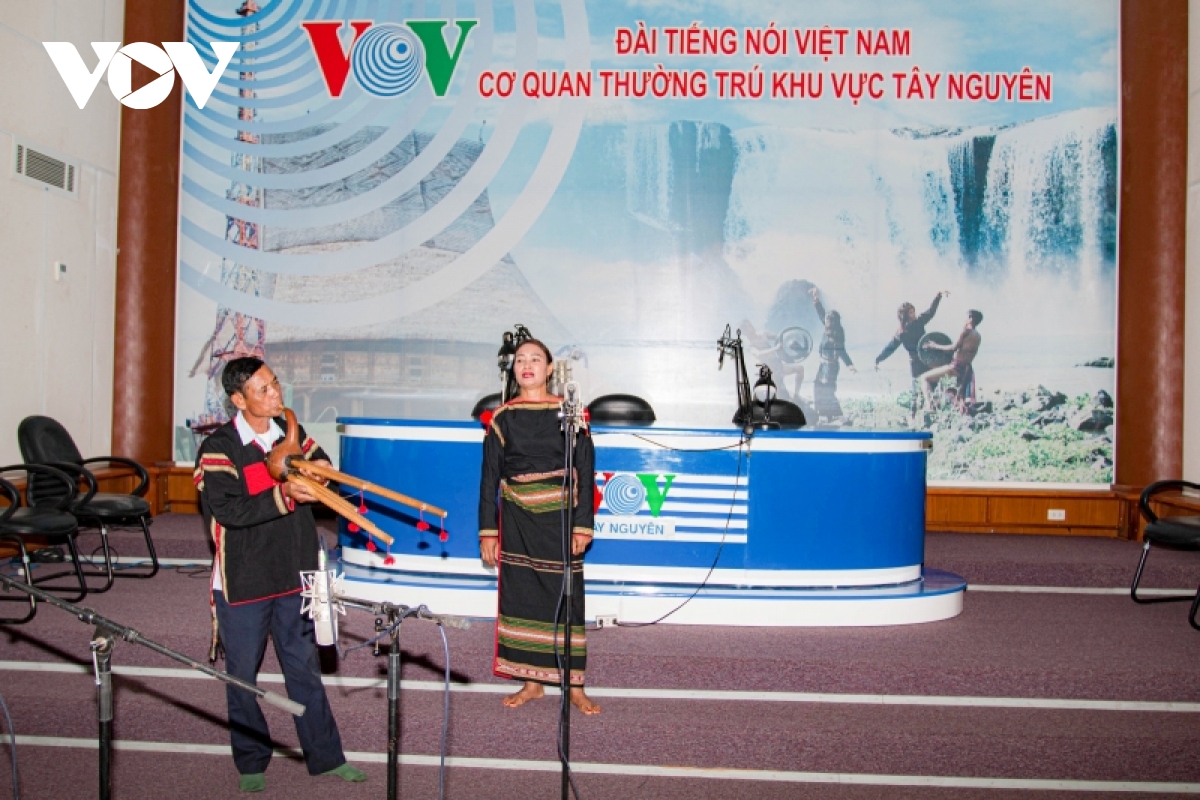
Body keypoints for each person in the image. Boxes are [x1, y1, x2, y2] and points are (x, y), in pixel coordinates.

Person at [194, 357, 366, 793]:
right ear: (238, 400)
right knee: (241, 676)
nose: (276, 394)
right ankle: (251, 759)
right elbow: (229, 511)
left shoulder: (292, 434)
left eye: (275, 384)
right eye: (263, 390)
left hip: (294, 571)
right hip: (244, 577)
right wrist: (285, 493)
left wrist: (317, 478)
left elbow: (325, 470)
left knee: (303, 668)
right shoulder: (219, 447)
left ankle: (326, 756)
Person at [478, 339, 601, 715]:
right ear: (513, 370)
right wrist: (488, 531)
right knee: (522, 598)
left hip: (560, 517)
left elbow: (584, 469)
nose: (526, 365)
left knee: (568, 598)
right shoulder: (502, 418)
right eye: (520, 360)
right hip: (516, 518)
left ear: (550, 369)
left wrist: (583, 525)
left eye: (535, 359)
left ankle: (574, 685)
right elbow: (489, 478)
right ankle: (532, 683)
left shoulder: (570, 413)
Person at [874, 291, 949, 418]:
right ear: (904, 316)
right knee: (916, 389)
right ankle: (913, 415)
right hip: (915, 363)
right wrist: (878, 359)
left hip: (927, 359)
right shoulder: (901, 333)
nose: (913, 314)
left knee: (932, 384)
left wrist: (938, 296)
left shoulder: (919, 321)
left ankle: (933, 411)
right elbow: (890, 348)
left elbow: (931, 312)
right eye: (910, 312)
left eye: (913, 311)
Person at [808, 286, 857, 422]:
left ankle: (838, 415)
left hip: (830, 367)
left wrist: (850, 365)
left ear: (833, 322)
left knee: (828, 390)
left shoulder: (837, 333)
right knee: (818, 386)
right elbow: (821, 313)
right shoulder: (827, 326)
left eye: (828, 320)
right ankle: (824, 413)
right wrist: (815, 298)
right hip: (823, 364)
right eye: (826, 319)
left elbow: (842, 350)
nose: (825, 321)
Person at [921, 309, 984, 412]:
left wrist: (934, 346)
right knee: (957, 393)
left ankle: (930, 406)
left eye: (967, 317)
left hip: (955, 367)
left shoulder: (966, 331)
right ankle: (957, 408)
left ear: (970, 318)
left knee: (925, 378)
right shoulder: (977, 336)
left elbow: (954, 347)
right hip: (966, 368)